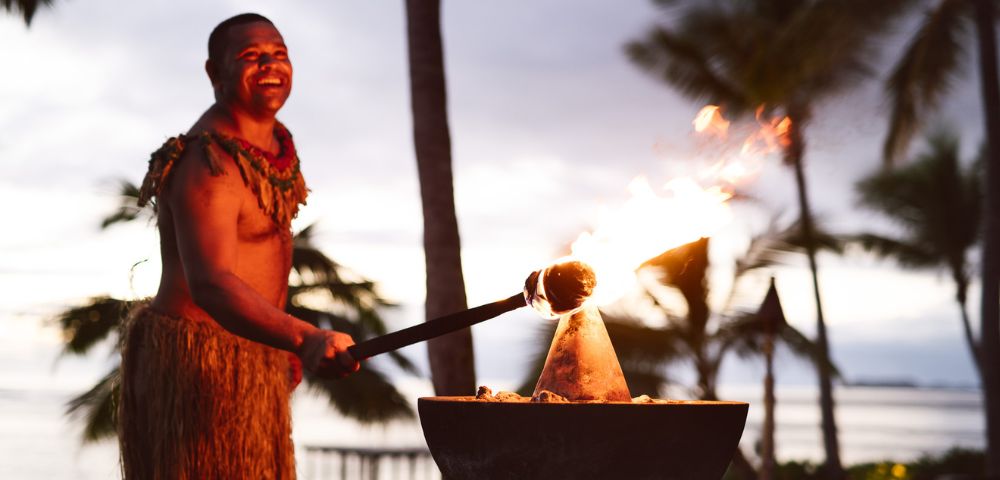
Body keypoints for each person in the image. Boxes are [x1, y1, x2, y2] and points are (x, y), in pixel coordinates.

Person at [118, 13, 359, 479]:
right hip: (199, 365)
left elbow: (268, 256)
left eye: (279, 54)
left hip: (257, 352)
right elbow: (211, 283)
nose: (270, 65)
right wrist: (303, 337)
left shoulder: (272, 147)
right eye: (251, 56)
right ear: (215, 72)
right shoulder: (207, 162)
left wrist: (279, 346)